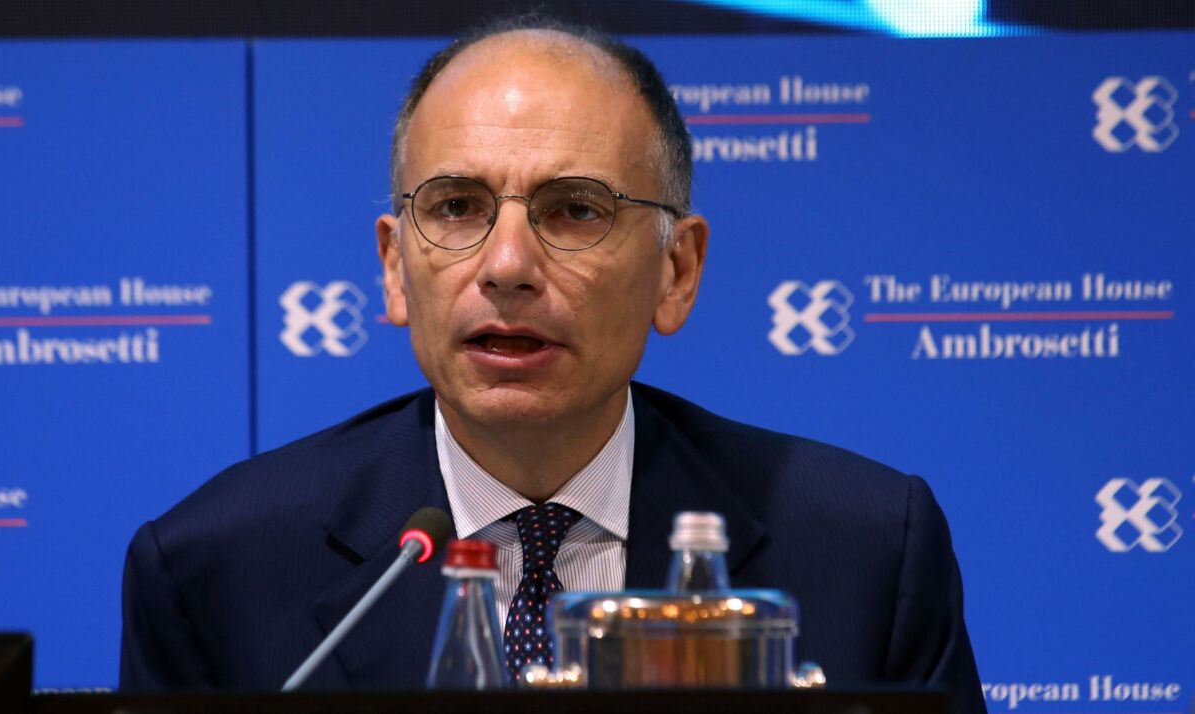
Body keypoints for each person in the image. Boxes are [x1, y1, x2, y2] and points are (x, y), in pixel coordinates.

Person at [120, 16, 986, 713]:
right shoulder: (213, 570)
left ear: (676, 271)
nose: (506, 265)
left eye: (575, 211)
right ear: (393, 268)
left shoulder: (865, 550)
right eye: (457, 207)